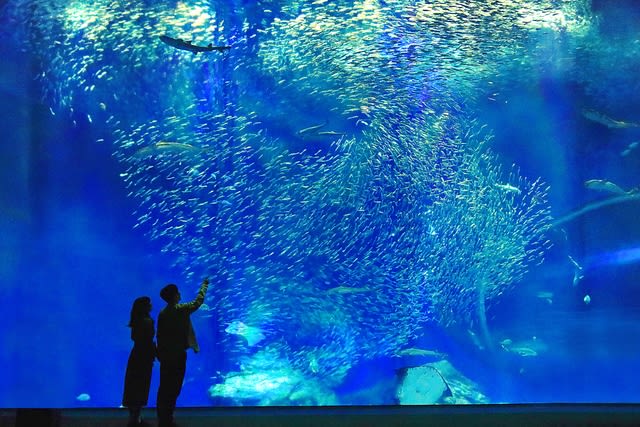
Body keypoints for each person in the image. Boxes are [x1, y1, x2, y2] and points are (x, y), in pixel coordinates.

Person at [156, 278, 209, 427]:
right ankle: (168, 418)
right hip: (178, 355)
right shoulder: (180, 309)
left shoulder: (162, 313)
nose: (180, 294)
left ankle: (163, 418)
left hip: (166, 356)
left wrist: (160, 353)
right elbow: (197, 303)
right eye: (177, 292)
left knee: (164, 386)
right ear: (174, 296)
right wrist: (204, 286)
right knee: (175, 386)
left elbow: (159, 335)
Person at [122, 296, 156, 427]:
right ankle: (136, 419)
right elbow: (148, 340)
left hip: (136, 354)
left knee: (133, 385)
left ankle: (133, 418)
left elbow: (134, 338)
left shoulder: (135, 320)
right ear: (144, 307)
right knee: (141, 385)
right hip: (144, 356)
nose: (151, 305)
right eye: (149, 303)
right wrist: (154, 352)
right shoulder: (148, 321)